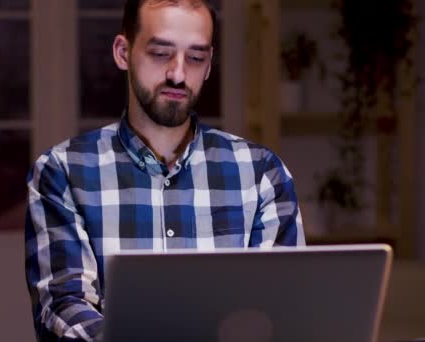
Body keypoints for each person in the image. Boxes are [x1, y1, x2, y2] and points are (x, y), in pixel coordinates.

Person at [25, 0, 305, 340]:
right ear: (123, 52)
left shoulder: (261, 171)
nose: (178, 73)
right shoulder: (63, 171)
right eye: (161, 53)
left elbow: (280, 308)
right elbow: (63, 307)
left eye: (196, 58)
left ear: (209, 65)